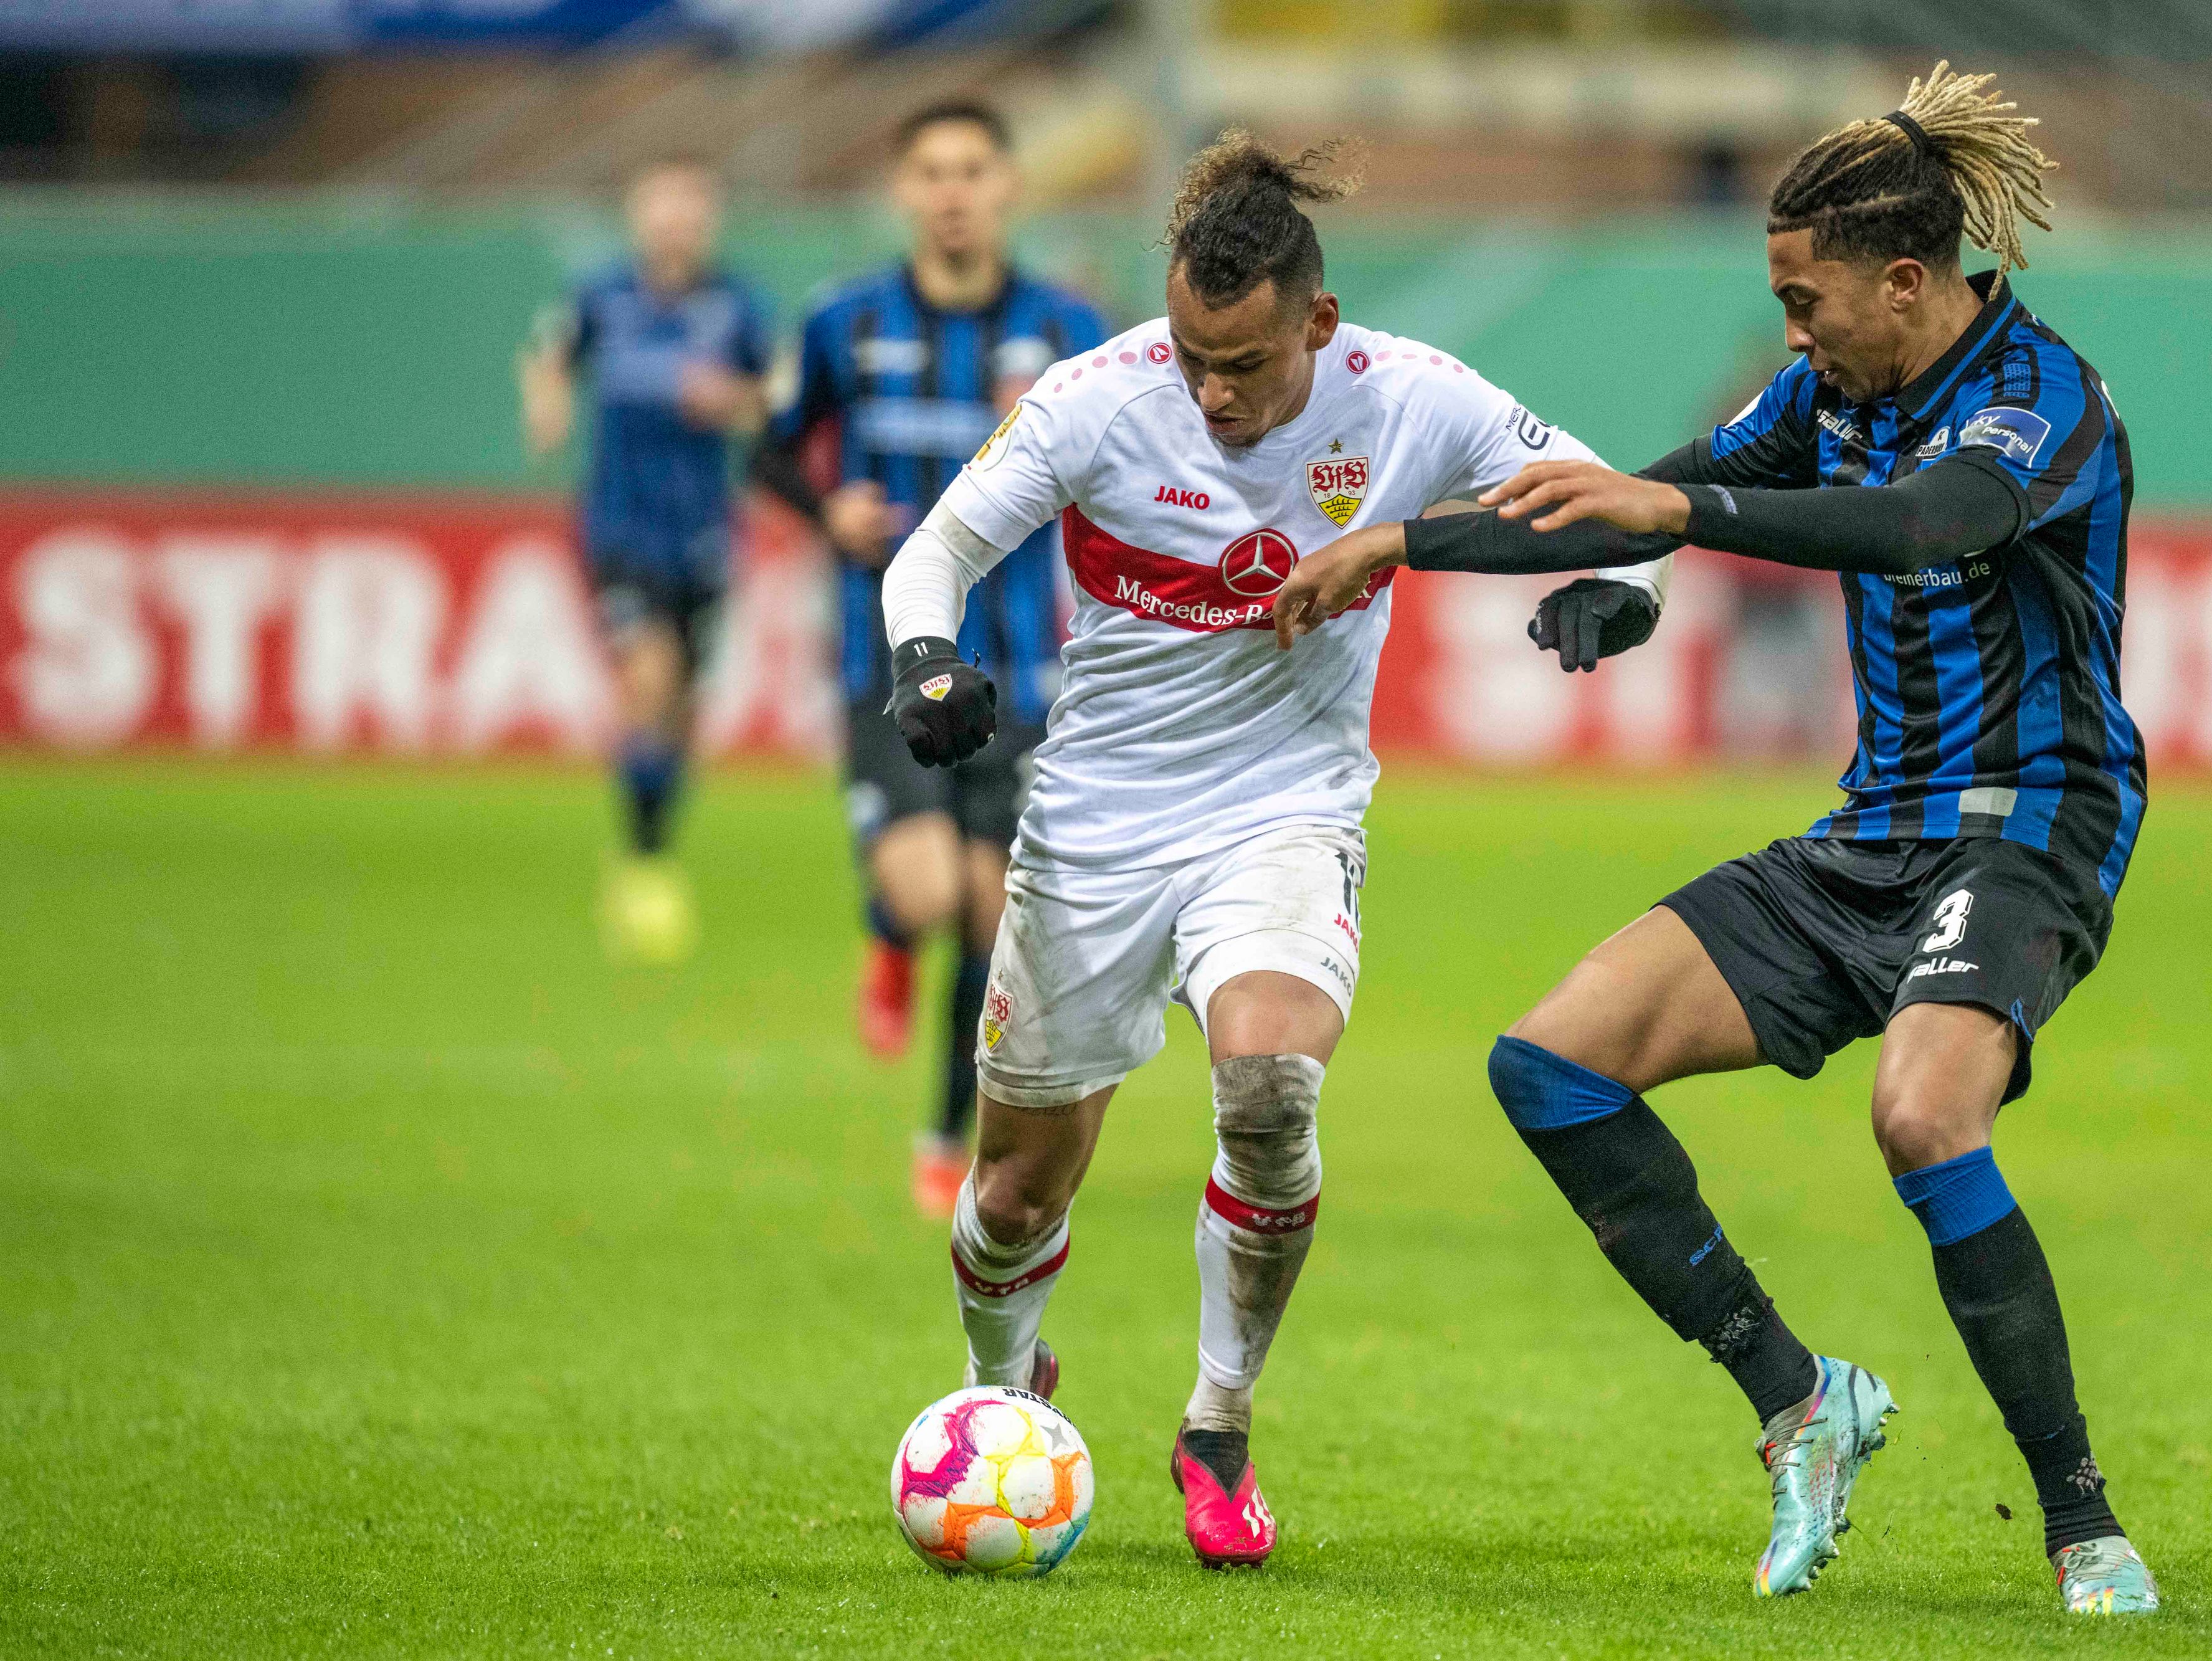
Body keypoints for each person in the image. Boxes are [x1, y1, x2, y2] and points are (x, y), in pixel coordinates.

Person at [1272, 64, 2160, 1616]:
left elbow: (1922, 526)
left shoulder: (2041, 403)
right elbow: (1642, 497)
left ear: (1903, 279)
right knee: (1548, 1062)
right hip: (1868, 831)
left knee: (1920, 1113)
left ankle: (2083, 1524)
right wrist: (1405, 544)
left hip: (2028, 823)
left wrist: (1679, 528)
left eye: (1803, 300)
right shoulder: (1828, 393)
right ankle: (1799, 1398)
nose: (1791, 330)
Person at [874, 130, 1666, 1568]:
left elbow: (1607, 501)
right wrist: (927, 660)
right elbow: (928, 552)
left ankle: (1217, 1428)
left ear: (1317, 321)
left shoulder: (1411, 396)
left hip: (1282, 811)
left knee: (1268, 1086)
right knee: (1011, 1196)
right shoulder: (1093, 400)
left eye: (1243, 363)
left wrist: (1618, 587)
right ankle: (1004, 1400)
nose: (1215, 393)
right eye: (1192, 356)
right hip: (1095, 828)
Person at [752, 102, 1106, 1219]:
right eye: (931, 172)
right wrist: (827, 505)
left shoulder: (1070, 327)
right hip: (887, 656)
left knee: (995, 922)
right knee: (929, 888)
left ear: (1009, 188)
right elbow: (768, 444)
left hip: (1026, 674)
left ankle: (943, 1134)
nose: (952, 192)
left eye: (973, 170)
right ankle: (888, 932)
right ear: (903, 190)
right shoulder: (841, 321)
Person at [518, 158, 773, 965]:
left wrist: (729, 399)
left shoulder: (737, 307)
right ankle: (642, 863)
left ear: (708, 219)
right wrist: (549, 402)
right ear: (639, 216)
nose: (674, 222)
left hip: (704, 532)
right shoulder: (601, 298)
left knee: (685, 709)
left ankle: (655, 837)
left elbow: (777, 397)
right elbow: (550, 354)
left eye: (689, 207)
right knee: (649, 676)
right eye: (660, 207)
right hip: (621, 530)